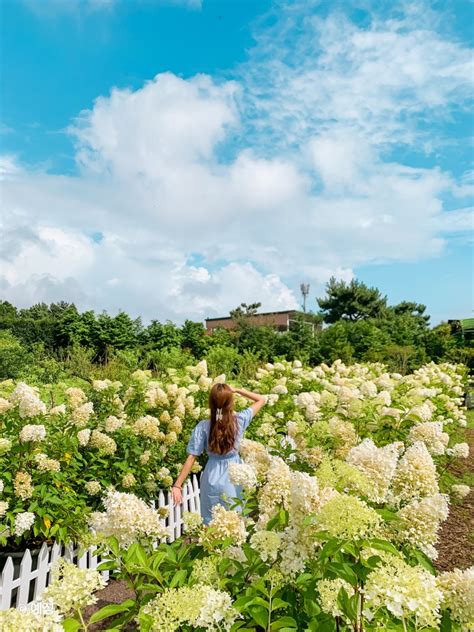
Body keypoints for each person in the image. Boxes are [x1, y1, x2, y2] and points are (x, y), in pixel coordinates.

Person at [171, 383, 266, 524]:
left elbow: (191, 457)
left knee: (211, 522)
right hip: (234, 476)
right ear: (230, 402)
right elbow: (262, 399)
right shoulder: (239, 421)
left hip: (211, 476)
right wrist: (237, 390)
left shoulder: (203, 426)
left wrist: (177, 485)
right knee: (234, 520)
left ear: (211, 403)